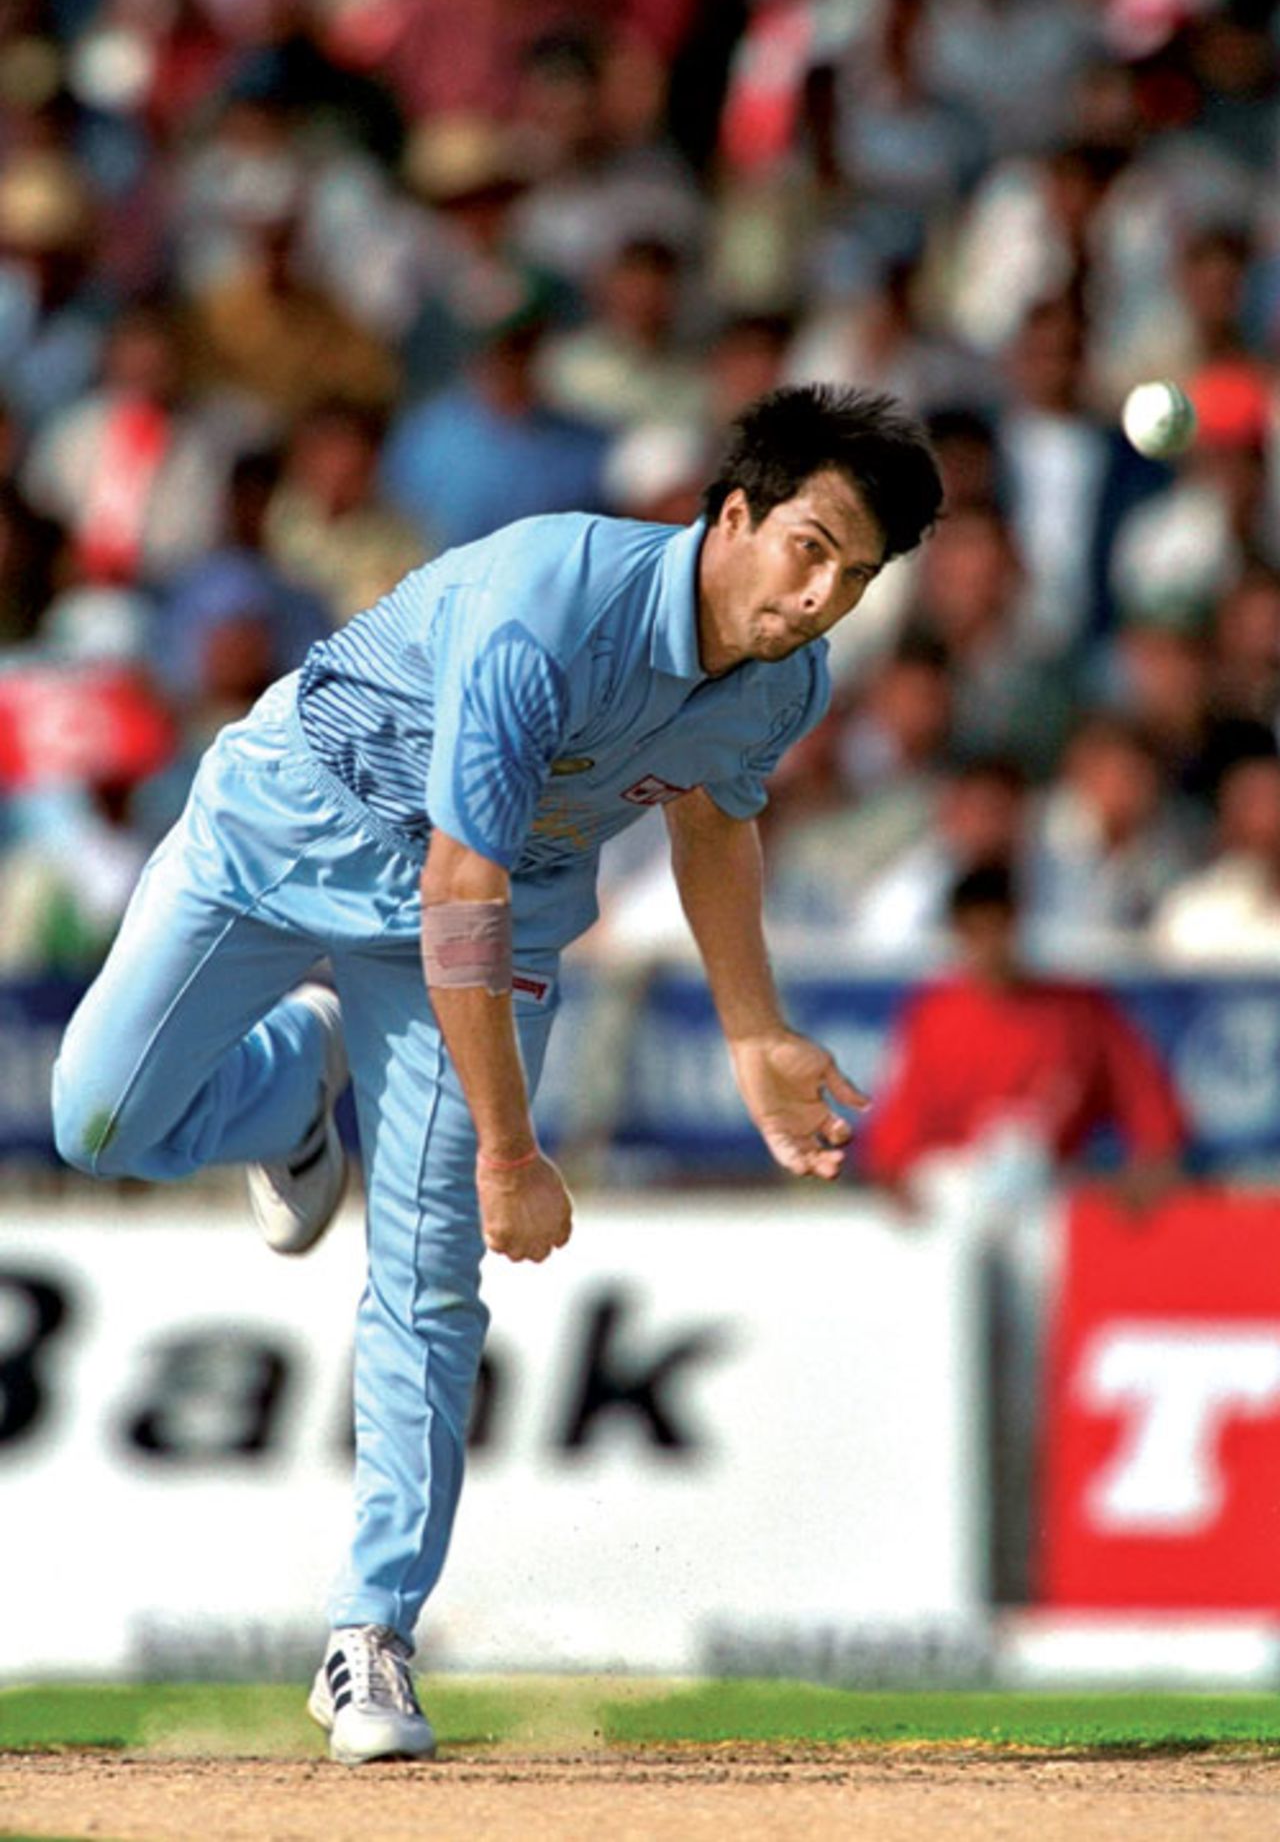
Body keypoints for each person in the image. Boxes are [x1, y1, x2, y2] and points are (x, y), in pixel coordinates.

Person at [51, 384, 944, 1765]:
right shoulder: (554, 602)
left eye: (859, 574)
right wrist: (513, 1151)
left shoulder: (786, 681)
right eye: (810, 546)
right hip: (281, 834)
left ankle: (370, 1636)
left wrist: (756, 1029)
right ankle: (291, 1085)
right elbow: (453, 884)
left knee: (426, 1272)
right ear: (734, 513)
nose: (823, 595)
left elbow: (714, 821)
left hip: (482, 925)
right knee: (96, 1120)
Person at [861, 862, 1187, 1210]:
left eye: (997, 928)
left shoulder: (1076, 1010)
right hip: (958, 1191)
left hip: (1048, 1189)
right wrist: (892, 1175)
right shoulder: (932, 1015)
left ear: (1016, 923)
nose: (989, 945)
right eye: (975, 931)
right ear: (958, 933)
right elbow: (895, 1127)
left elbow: (1143, 1097)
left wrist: (1153, 1160)